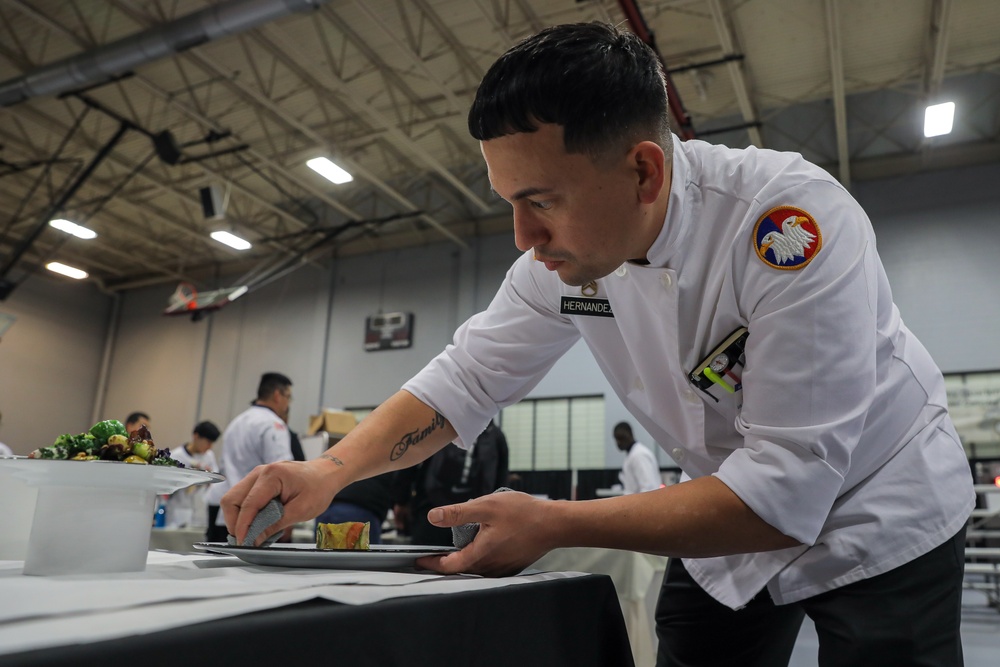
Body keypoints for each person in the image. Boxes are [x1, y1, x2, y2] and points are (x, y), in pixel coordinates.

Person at [223, 23, 975, 667]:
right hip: (722, 506)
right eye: (510, 205)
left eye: (542, 201)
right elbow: (465, 378)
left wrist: (557, 522)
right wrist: (327, 468)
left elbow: (785, 490)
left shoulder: (786, 226)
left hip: (877, 505)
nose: (524, 238)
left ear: (644, 170)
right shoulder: (558, 265)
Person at [391, 419, 509, 546]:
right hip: (439, 511)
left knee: (429, 559)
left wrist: (400, 500)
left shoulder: (440, 427)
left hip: (460, 514)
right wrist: (400, 499)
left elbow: (411, 462)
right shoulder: (495, 436)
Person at [206, 372, 293, 542]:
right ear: (277, 395)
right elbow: (283, 472)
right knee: (245, 568)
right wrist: (287, 520)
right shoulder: (274, 424)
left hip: (222, 506)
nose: (288, 404)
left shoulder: (236, 422)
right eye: (288, 397)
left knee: (215, 566)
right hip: (251, 514)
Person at [166, 421, 221, 529]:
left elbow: (216, 480)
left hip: (200, 512)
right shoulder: (176, 456)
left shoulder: (209, 456)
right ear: (196, 436)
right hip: (178, 511)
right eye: (208, 442)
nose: (210, 447)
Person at [613, 421, 661, 495]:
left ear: (630, 435)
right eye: (617, 439)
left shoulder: (639, 455)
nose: (619, 443)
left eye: (621, 438)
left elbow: (648, 488)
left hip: (645, 504)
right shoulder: (632, 455)